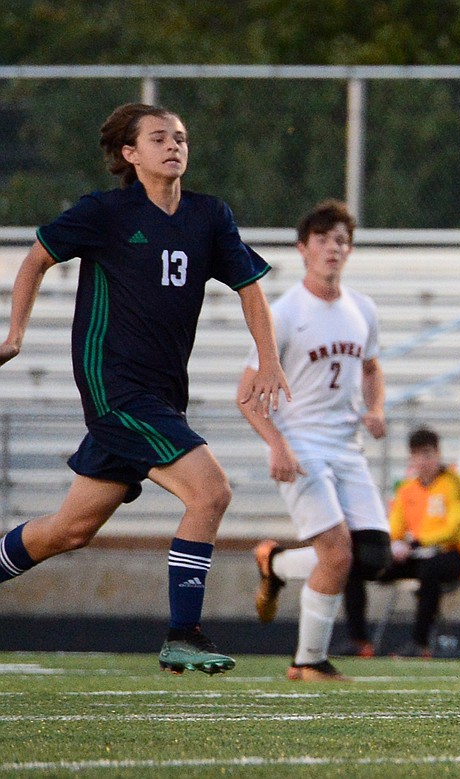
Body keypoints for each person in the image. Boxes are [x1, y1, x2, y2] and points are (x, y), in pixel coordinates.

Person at [0, 103, 289, 675]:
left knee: (70, 530)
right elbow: (35, 261)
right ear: (130, 154)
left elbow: (250, 289)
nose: (174, 145)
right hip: (115, 390)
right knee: (211, 492)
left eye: (180, 137)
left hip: (159, 396)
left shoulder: (209, 215)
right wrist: (15, 335)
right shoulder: (105, 212)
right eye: (159, 138)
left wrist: (269, 359)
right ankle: (183, 633)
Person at [241, 199, 385, 682]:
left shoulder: (362, 307)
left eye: (341, 240)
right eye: (323, 239)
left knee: (374, 557)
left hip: (347, 448)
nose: (333, 248)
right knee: (337, 554)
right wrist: (277, 444)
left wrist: (376, 407)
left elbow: (371, 367)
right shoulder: (281, 313)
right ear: (303, 248)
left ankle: (277, 563)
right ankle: (307, 661)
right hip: (300, 447)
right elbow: (245, 396)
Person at [342, 427, 460, 658]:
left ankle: (421, 643)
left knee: (431, 570)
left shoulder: (455, 483)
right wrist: (393, 545)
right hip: (417, 555)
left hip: (455, 554)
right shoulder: (407, 489)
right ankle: (359, 641)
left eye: (427, 454)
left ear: (438, 454)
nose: (423, 461)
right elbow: (394, 527)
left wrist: (417, 542)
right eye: (417, 455)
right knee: (354, 566)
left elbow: (457, 529)